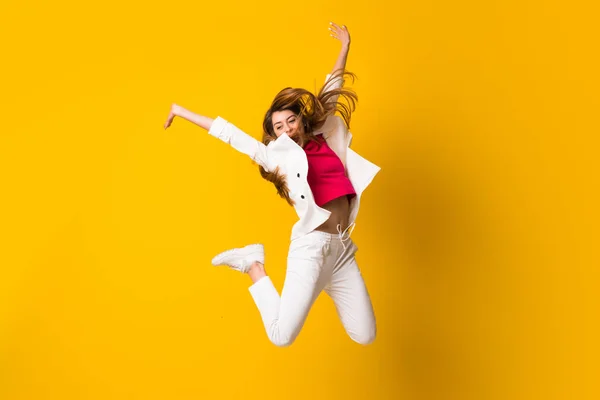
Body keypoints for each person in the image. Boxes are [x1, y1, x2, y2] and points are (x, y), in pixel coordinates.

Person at [163, 22, 380, 347]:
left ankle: (311, 280)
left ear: (300, 120)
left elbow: (332, 91)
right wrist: (182, 111)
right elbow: (232, 135)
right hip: (312, 249)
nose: (286, 129)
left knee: (365, 335)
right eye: (278, 126)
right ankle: (252, 264)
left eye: (291, 120)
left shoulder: (324, 138)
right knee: (281, 336)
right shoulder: (276, 158)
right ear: (273, 133)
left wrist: (345, 47)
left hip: (342, 249)